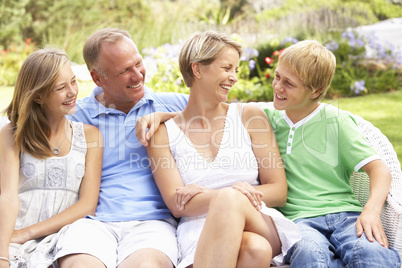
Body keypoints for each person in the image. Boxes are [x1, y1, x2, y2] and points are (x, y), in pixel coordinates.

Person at [143, 30, 301, 268]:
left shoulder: (250, 117)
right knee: (255, 250)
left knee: (230, 201)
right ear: (197, 69)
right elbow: (177, 205)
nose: (234, 77)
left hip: (258, 219)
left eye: (235, 70)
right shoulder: (161, 133)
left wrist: (222, 195)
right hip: (199, 230)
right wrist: (227, 195)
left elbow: (278, 191)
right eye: (227, 68)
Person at [53, 28, 188, 268]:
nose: (138, 76)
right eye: (125, 70)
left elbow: (226, 120)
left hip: (153, 224)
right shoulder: (75, 116)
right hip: (92, 223)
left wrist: (167, 116)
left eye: (138, 64)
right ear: (97, 78)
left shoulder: (175, 104)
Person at [263, 40, 401, 267]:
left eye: (289, 83)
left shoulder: (336, 121)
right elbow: (218, 111)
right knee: (309, 254)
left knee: (370, 253)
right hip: (299, 221)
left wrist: (371, 212)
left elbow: (379, 170)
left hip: (346, 215)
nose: (278, 87)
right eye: (277, 77)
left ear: (315, 91)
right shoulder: (264, 119)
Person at [0, 48, 103, 268]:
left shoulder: (90, 136)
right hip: (14, 231)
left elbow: (87, 205)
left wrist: (28, 233)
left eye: (73, 82)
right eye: (60, 87)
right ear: (38, 96)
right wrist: (3, 253)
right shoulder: (12, 134)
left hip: (66, 235)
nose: (72, 92)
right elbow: (8, 196)